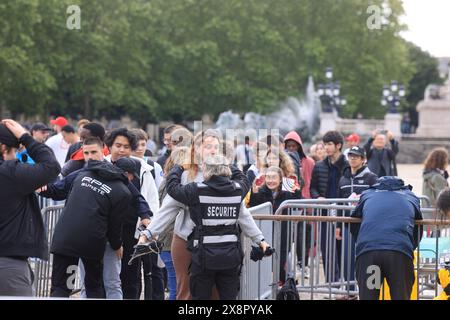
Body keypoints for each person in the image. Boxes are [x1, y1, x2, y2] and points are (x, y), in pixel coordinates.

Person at [140, 154, 270, 300]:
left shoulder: (197, 191)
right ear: (227, 171)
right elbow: (245, 216)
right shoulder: (237, 190)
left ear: (206, 172)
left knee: (199, 296)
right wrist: (261, 240)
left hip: (203, 255)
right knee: (228, 296)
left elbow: (173, 188)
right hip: (230, 255)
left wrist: (179, 167)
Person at [0, 120, 61, 296]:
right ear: (4, 148)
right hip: (8, 264)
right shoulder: (10, 173)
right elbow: (51, 166)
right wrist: (26, 137)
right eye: (16, 149)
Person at [350, 176, 423, 300]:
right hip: (399, 252)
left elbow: (354, 222)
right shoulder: (411, 196)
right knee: (401, 296)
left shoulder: (368, 194)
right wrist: (410, 246)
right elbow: (418, 228)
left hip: (369, 251)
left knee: (369, 296)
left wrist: (362, 243)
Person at [336, 146, 377, 300]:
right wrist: (338, 226)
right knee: (347, 259)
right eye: (351, 156)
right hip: (347, 224)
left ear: (363, 159)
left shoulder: (371, 178)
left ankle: (367, 291)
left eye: (356, 156)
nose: (353, 159)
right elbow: (339, 204)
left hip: (366, 225)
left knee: (365, 258)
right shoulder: (343, 178)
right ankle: (349, 291)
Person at [248, 166, 301, 283]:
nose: (270, 181)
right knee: (267, 258)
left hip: (283, 230)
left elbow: (298, 199)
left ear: (281, 179)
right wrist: (254, 194)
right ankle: (274, 283)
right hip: (265, 231)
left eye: (274, 178)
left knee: (281, 258)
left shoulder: (287, 190)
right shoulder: (261, 191)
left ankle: (281, 281)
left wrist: (294, 186)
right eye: (268, 177)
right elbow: (253, 207)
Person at [310, 130, 349, 285]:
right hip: (326, 212)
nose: (326, 147)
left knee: (343, 249)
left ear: (338, 145)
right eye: (325, 144)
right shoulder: (319, 166)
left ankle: (346, 283)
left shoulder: (348, 165)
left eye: (329, 144)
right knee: (327, 250)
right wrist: (317, 197)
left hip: (344, 213)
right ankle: (331, 284)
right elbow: (312, 188)